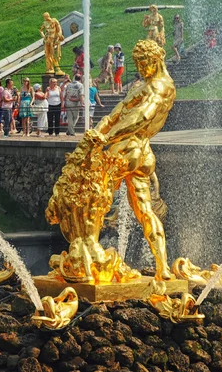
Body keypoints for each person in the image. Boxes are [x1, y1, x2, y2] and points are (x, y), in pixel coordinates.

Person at [93, 39, 176, 280]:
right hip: (143, 153)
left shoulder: (158, 87)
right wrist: (101, 128)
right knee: (144, 211)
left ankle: (89, 254)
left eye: (143, 62)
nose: (139, 67)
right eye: (137, 63)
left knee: (97, 197)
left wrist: (106, 137)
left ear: (156, 60)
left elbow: (140, 118)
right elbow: (117, 111)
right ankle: (163, 268)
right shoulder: (147, 85)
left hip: (126, 150)